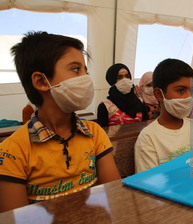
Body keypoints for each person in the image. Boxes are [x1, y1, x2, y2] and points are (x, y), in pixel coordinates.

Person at [0, 31, 120, 212]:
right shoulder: (13, 151)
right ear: (41, 81)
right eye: (75, 69)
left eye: (85, 71)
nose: (85, 78)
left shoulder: (94, 133)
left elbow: (114, 195)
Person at [134, 59, 193, 173]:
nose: (189, 97)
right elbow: (148, 183)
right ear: (159, 94)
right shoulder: (149, 138)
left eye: (192, 90)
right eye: (180, 90)